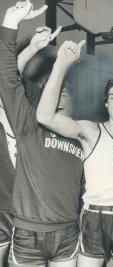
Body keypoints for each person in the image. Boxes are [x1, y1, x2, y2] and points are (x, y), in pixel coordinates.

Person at [36, 41, 113, 267]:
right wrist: (61, 64)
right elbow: (44, 116)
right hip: (94, 217)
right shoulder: (91, 131)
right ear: (106, 103)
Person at [0, 1, 85, 266]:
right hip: (27, 230)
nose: (58, 96)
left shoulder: (83, 133)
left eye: (64, 92)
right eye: (52, 90)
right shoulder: (28, 123)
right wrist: (11, 25)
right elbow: (8, 78)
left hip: (68, 232)